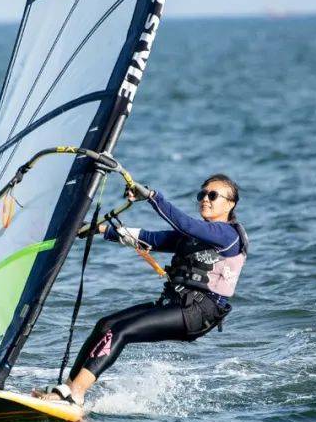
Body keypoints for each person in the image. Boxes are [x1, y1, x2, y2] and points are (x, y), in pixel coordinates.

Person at [33, 173, 249, 406]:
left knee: (121, 331)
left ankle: (77, 393)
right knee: (105, 325)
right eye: (202, 194)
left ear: (230, 203)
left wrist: (153, 197)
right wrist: (99, 229)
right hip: (174, 304)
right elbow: (149, 239)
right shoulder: (192, 237)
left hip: (198, 311)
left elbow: (185, 223)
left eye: (213, 195)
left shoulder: (228, 235)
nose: (205, 199)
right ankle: (65, 389)